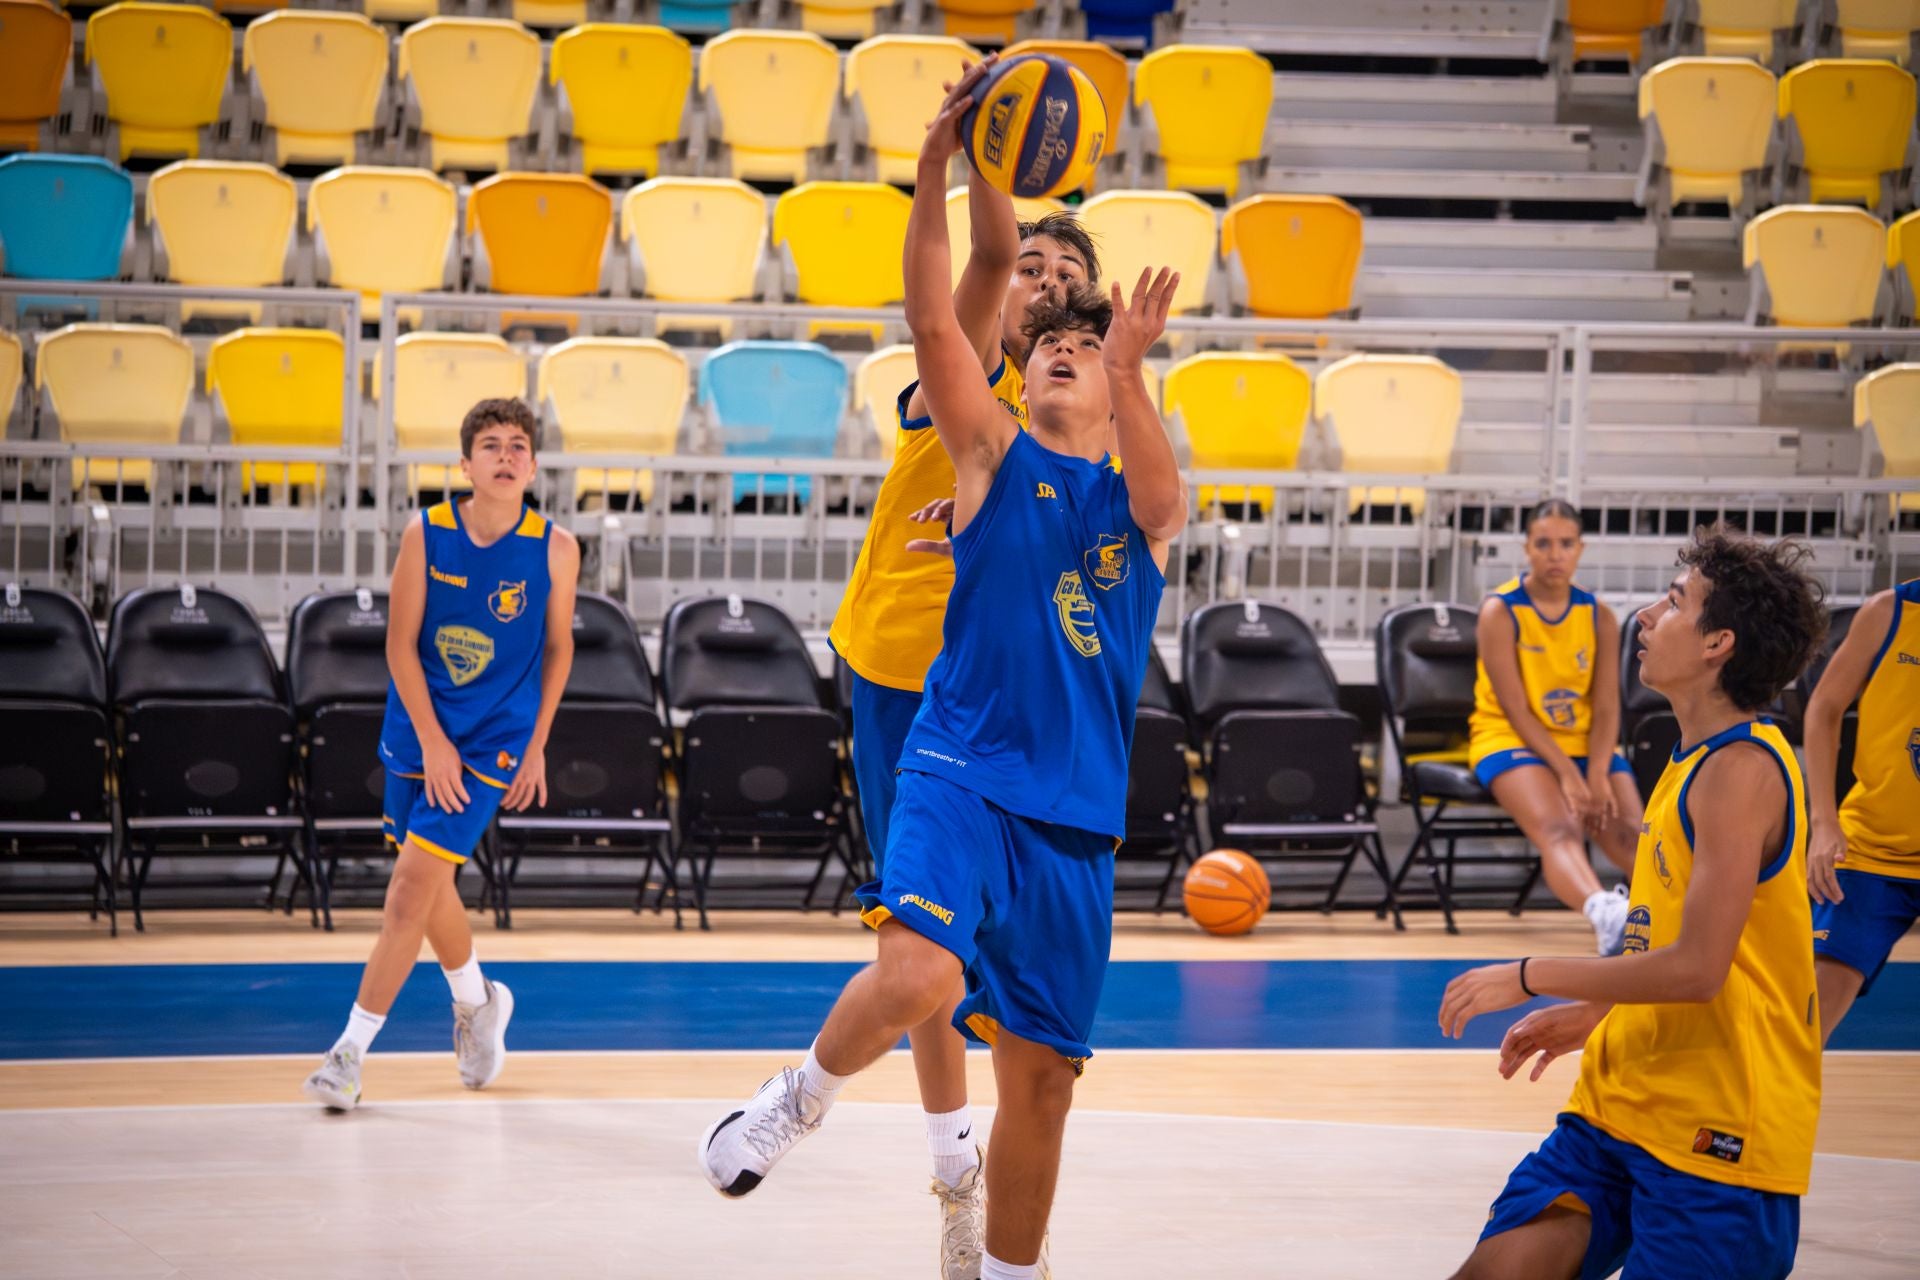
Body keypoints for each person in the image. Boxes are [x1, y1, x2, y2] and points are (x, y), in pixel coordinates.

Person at [700, 84, 1187, 1280]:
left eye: (1085, 335)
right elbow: (937, 314)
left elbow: (1165, 494)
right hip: (952, 747)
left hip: (1071, 813)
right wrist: (933, 167)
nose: (1063, 345)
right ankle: (800, 1097)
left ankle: (1003, 1259)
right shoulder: (986, 445)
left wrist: (1124, 368)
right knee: (921, 965)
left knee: (1044, 1081)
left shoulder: (1136, 508)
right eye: (1048, 337)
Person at [823, 52, 1106, 1278]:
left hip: (1001, 707)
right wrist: (987, 148)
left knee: (976, 975)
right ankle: (954, 1179)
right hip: (896, 672)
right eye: (1033, 268)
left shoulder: (1090, 407)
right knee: (921, 955)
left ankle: (986, 1191)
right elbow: (983, 258)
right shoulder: (979, 362)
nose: (1042, 281)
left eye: (1067, 274)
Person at [1437, 527, 1826, 1280]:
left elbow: (1698, 970)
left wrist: (1529, 973)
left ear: (1718, 643)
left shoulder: (1741, 772)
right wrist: (1599, 1017)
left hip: (1718, 1133)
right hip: (1618, 1107)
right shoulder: (1689, 760)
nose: (1647, 616)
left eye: (1675, 602)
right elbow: (1658, 943)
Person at [302, 397, 581, 1111]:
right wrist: (430, 741)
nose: (506, 455)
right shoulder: (425, 534)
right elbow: (398, 645)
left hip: (496, 741)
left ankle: (348, 1055)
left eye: (519, 445)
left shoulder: (555, 547)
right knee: (430, 888)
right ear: (466, 465)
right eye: (491, 445)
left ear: (534, 464)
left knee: (405, 895)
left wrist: (540, 743)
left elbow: (558, 650)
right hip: (418, 730)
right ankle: (478, 1001)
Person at [1470, 499, 1641, 954]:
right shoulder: (1500, 610)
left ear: (1580, 549)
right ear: (1526, 547)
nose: (1554, 554)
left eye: (1566, 544)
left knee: (1635, 834)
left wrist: (1598, 773)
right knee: (1561, 828)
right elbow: (1516, 708)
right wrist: (1569, 775)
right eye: (1543, 543)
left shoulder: (1599, 615)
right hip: (1508, 736)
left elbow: (1607, 708)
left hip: (1586, 742)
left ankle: (1674, 919)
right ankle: (1606, 915)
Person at [1803, 576, 1920, 1043]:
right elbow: (1823, 709)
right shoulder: (1887, 612)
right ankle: (1737, 1117)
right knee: (1804, 1021)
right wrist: (1824, 822)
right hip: (1871, 848)